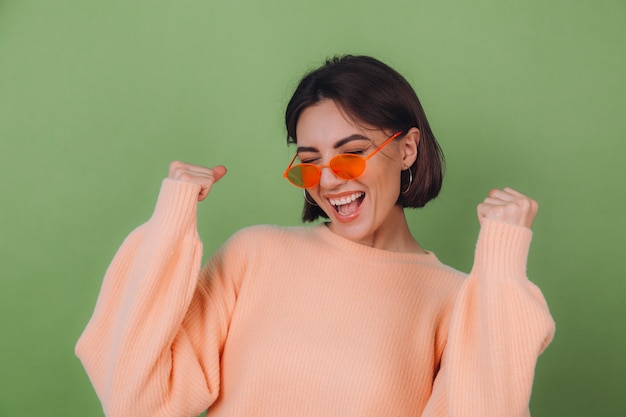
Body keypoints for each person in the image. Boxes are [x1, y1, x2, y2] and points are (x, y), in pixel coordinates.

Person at [76, 55, 554, 417]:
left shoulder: (454, 300)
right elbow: (135, 398)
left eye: (351, 154)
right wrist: (169, 223)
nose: (329, 181)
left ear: (407, 149)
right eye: (310, 162)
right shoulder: (254, 255)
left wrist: (501, 266)